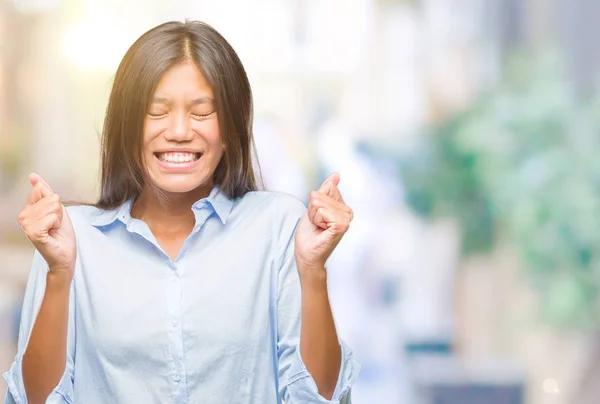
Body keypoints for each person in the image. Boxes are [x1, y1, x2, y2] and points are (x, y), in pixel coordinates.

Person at [3, 20, 360, 404]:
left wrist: (313, 271)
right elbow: (34, 400)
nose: (178, 131)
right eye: (156, 112)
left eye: (202, 112)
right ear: (126, 125)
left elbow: (319, 396)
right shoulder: (69, 239)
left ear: (231, 127)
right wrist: (59, 274)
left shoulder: (280, 227)